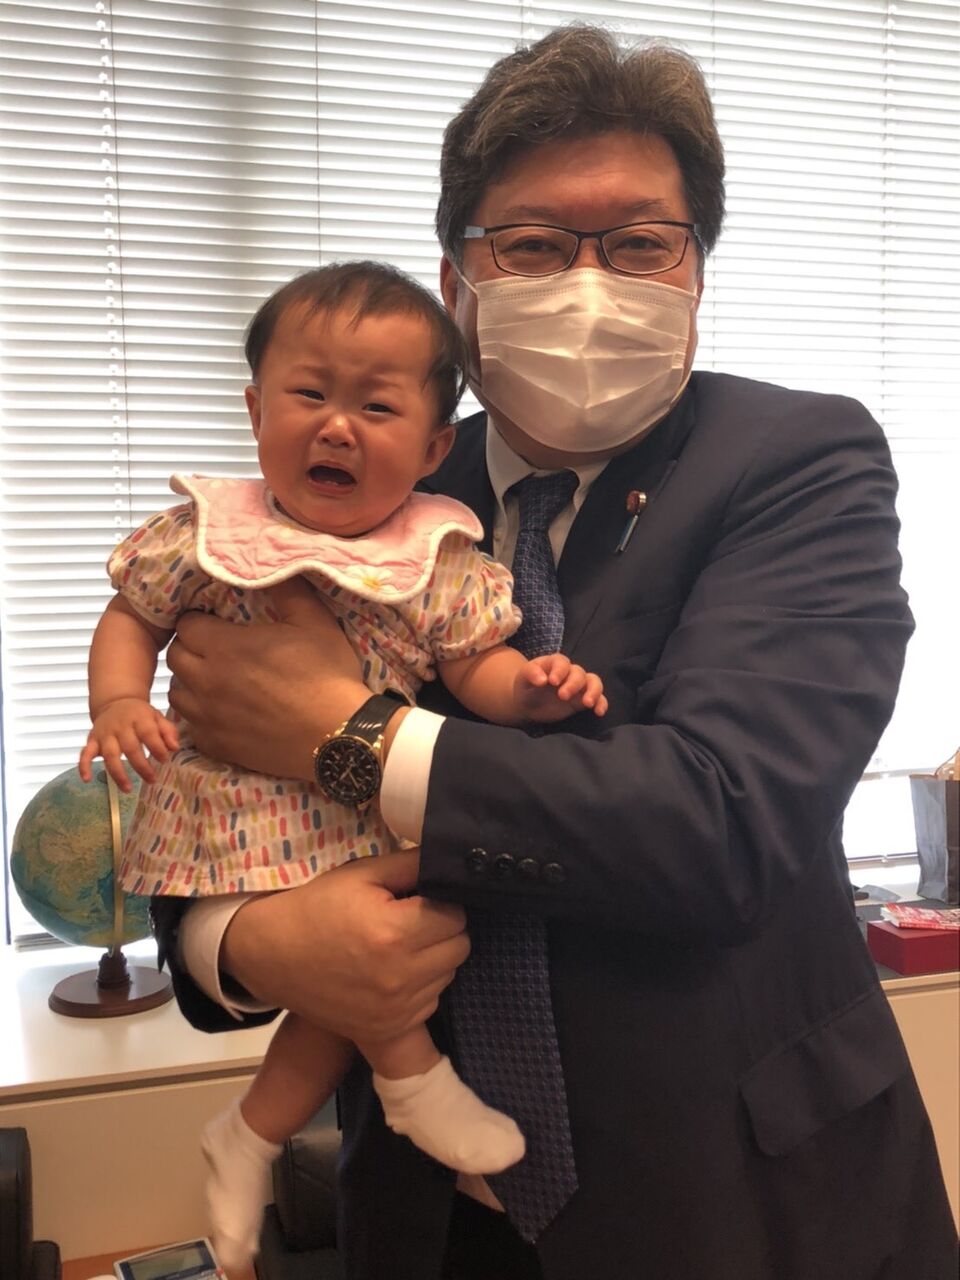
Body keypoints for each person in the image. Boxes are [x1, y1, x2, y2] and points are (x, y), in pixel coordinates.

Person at [151, 24, 958, 1280]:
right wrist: (249, 945)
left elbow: (718, 817)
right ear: (455, 280)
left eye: (639, 243)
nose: (589, 284)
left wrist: (348, 736)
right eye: (530, 245)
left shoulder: (799, 460)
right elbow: (211, 776)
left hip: (744, 1202)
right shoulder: (371, 488)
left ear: (696, 275)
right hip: (425, 1215)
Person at [77, 260, 607, 1273]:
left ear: (434, 445)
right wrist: (117, 703)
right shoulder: (211, 534)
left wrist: (532, 689)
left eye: (375, 405)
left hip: (359, 816)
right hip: (234, 810)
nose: (336, 426)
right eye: (309, 394)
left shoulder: (435, 555)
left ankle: (253, 1132)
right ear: (255, 408)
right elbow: (133, 614)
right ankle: (410, 1085)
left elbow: (476, 664)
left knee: (365, 970)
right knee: (358, 971)